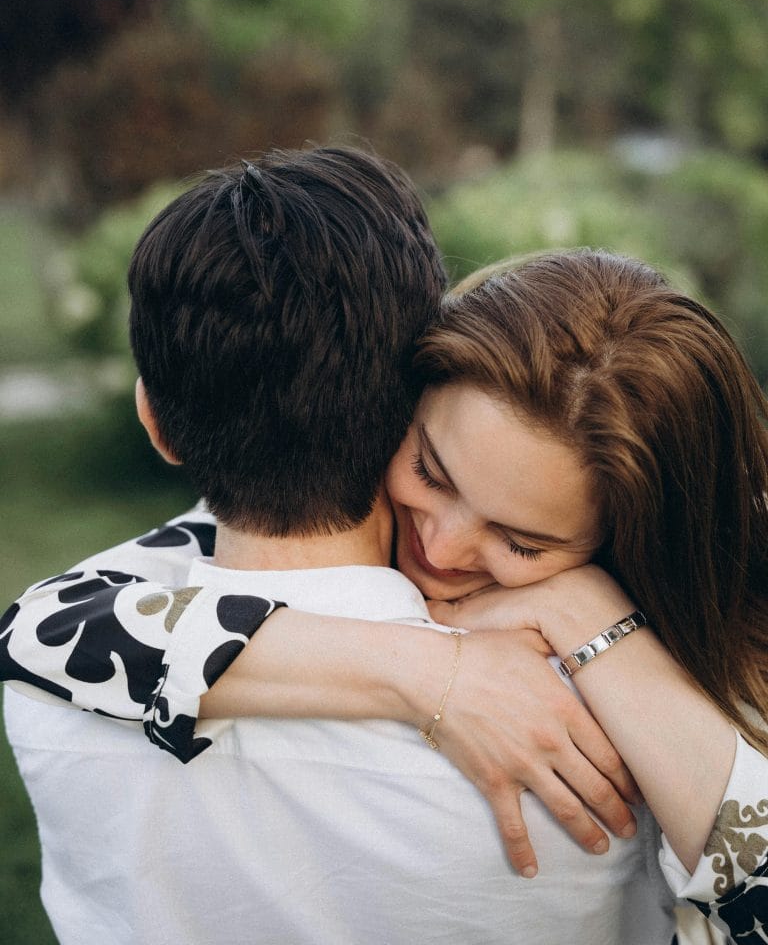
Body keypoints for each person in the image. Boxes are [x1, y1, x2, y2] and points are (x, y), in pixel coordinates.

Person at [4, 247, 768, 943]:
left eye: (521, 543)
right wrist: (431, 672)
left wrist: (591, 616)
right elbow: (42, 629)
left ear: (625, 541)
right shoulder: (322, 498)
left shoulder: (696, 665)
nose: (440, 547)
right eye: (431, 472)